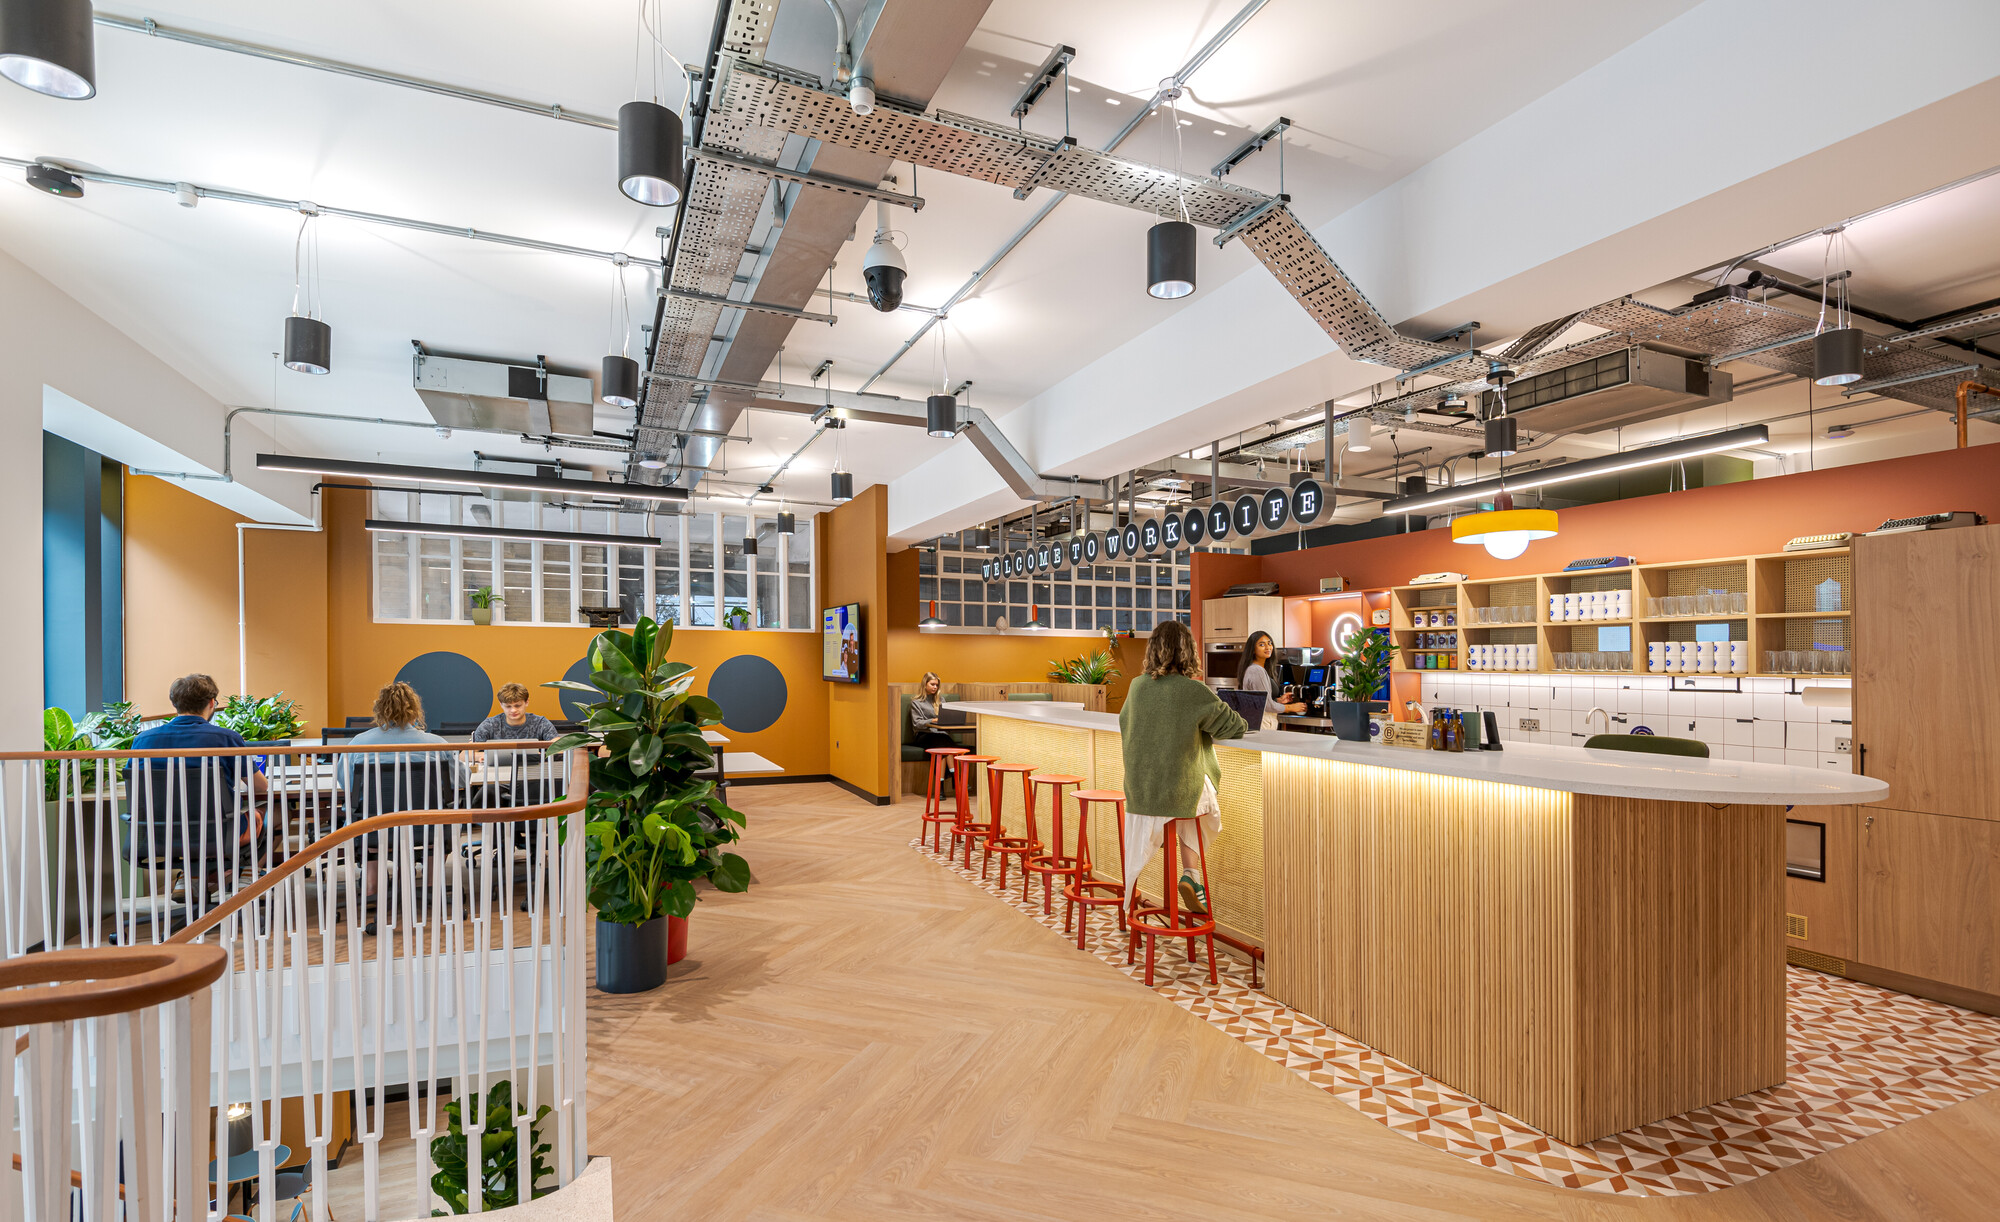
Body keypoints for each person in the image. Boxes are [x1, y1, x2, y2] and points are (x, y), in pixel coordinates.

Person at [1119, 621, 1247, 917]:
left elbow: (1124, 723)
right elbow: (1233, 726)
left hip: (1141, 792)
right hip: (1175, 792)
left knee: (1188, 795)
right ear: (1188, 651)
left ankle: (1192, 877)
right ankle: (1192, 876)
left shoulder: (1136, 686)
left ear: (1152, 650)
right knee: (1199, 797)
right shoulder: (1192, 691)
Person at [130, 673, 268, 850]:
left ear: (175, 704)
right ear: (211, 703)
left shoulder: (143, 741)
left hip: (160, 834)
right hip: (220, 832)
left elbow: (136, 787)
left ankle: (211, 875)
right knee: (275, 814)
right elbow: (260, 787)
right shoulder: (226, 738)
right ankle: (239, 873)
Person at [1237, 630, 1306, 730]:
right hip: (1263, 721)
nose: (1268, 647)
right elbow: (1266, 705)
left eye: (1269, 643)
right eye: (1261, 645)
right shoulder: (1257, 670)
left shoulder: (1255, 669)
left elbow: (1258, 700)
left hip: (1261, 720)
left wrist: (1278, 700)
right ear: (1252, 650)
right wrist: (1292, 707)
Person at [909, 672, 961, 797]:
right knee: (945, 744)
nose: (935, 687)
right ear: (925, 684)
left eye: (936, 685)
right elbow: (917, 724)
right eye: (932, 684)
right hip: (923, 735)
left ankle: (940, 788)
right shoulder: (916, 702)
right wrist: (931, 721)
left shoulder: (941, 700)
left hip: (940, 734)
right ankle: (955, 778)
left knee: (943, 746)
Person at [471, 684, 558, 742]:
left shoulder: (541, 723)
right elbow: (464, 755)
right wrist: (481, 756)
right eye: (508, 706)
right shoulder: (489, 725)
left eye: (517, 705)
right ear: (501, 705)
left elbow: (561, 749)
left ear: (526, 702)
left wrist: (542, 755)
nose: (513, 710)